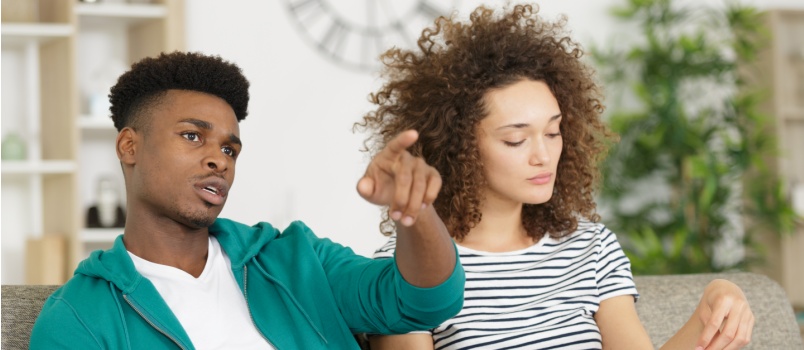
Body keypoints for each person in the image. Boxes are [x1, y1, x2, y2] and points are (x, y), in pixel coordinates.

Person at [355, 4, 754, 350]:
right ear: (458, 148)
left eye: (552, 132)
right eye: (515, 139)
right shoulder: (408, 268)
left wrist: (716, 303)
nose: (544, 155)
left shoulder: (592, 248)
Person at [30, 52, 465, 349]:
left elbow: (425, 302)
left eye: (229, 149)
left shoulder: (294, 260)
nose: (218, 160)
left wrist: (416, 211)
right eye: (192, 136)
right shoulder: (81, 315)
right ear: (129, 147)